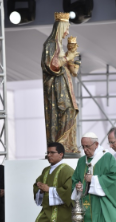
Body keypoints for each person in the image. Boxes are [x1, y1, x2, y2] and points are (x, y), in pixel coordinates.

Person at [41, 12, 80, 154]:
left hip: (64, 85)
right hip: (56, 87)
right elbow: (51, 65)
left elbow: (71, 69)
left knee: (70, 111)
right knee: (65, 111)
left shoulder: (59, 45)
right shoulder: (51, 44)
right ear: (61, 27)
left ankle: (67, 144)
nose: (67, 32)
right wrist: (67, 57)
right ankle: (60, 144)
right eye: (66, 28)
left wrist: (72, 60)